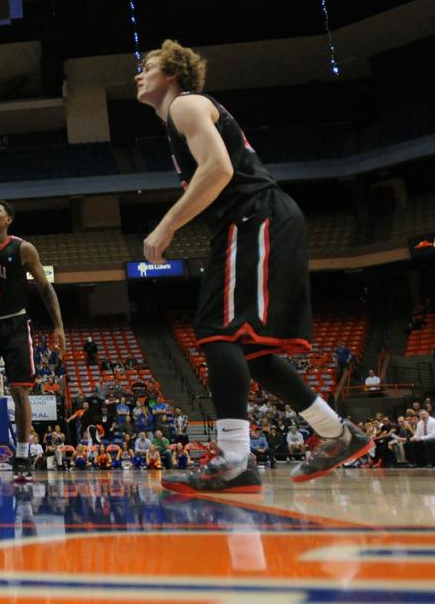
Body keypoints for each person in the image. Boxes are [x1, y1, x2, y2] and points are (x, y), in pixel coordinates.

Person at [135, 41, 372, 494]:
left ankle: (233, 458)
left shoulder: (186, 104)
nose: (138, 75)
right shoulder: (178, 119)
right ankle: (337, 433)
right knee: (254, 352)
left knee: (219, 329)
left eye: (147, 67)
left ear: (172, 73)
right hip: (252, 220)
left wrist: (165, 227)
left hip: (254, 217)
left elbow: (219, 170)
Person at [0, 200, 66, 484]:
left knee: (20, 392)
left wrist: (58, 325)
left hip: (16, 324)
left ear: (8, 220)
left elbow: (44, 286)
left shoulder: (23, 249)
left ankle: (21, 454)